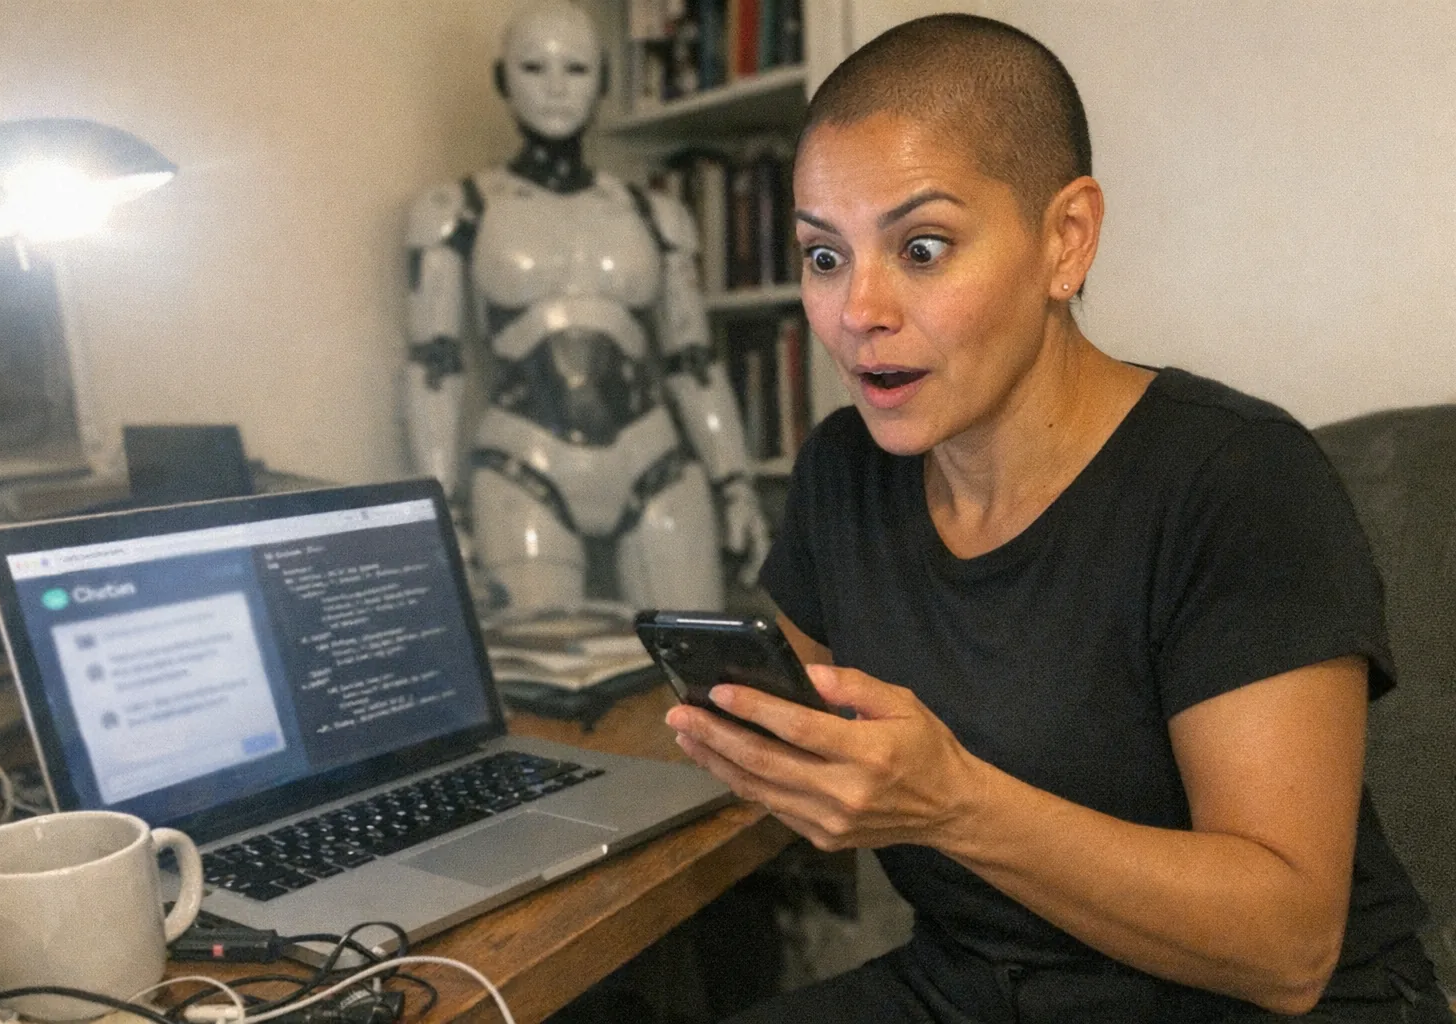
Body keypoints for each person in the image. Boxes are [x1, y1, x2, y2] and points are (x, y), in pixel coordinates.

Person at [664, 14, 1452, 1023]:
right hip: (973, 986)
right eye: (824, 257)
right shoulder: (845, 471)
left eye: (923, 246)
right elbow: (785, 709)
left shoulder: (1238, 479)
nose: (858, 308)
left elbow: (1289, 945)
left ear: (1064, 239)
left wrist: (952, 801)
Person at [401, 0, 768, 613]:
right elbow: (434, 366)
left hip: (657, 460)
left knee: (699, 667)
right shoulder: (457, 210)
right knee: (542, 674)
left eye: (575, 69)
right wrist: (436, 509)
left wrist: (736, 484)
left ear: (602, 80)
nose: (554, 90)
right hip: (525, 463)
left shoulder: (655, 214)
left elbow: (693, 360)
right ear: (503, 80)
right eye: (533, 68)